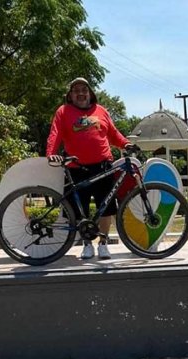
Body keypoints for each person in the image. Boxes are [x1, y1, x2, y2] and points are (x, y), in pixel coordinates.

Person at [46, 77, 132, 260]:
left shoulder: (101, 111)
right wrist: (51, 153)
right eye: (76, 90)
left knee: (106, 208)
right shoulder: (63, 111)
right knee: (79, 210)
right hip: (75, 167)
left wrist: (126, 144)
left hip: (103, 166)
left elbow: (113, 134)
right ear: (70, 96)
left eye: (84, 89)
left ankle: (103, 244)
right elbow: (55, 134)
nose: (80, 93)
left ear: (90, 93)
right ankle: (86, 244)